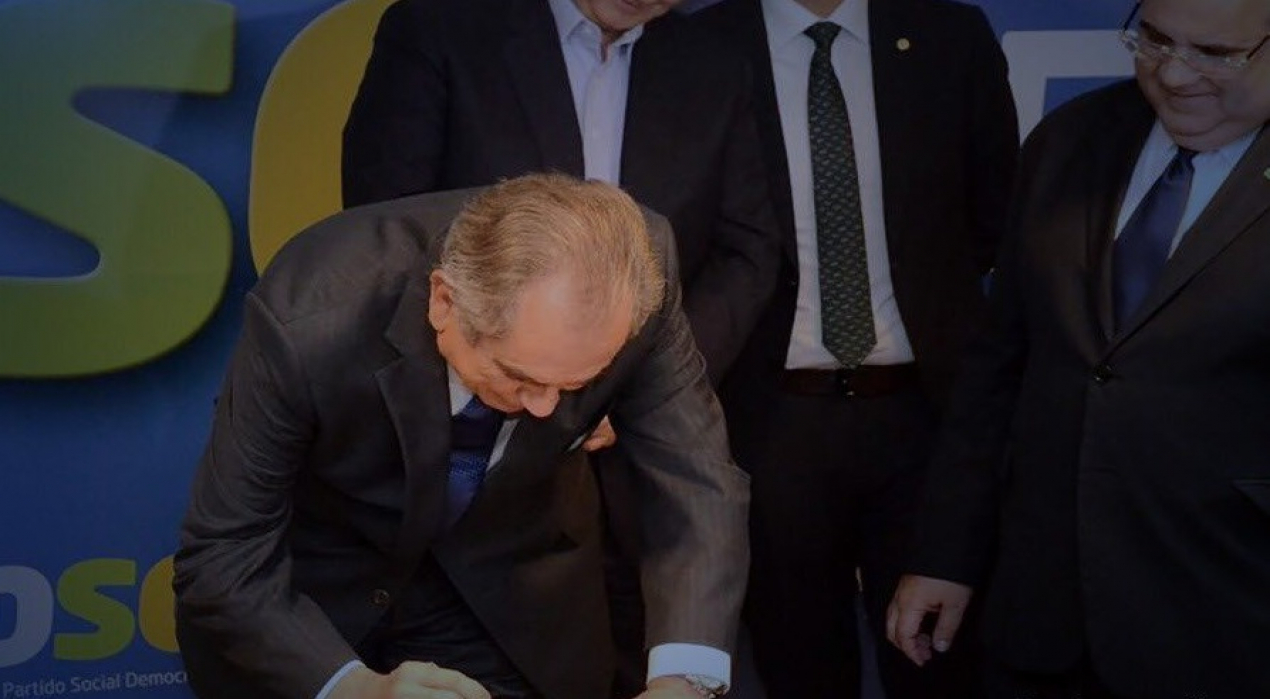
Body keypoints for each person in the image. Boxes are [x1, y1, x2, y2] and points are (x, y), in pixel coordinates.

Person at [173, 174, 750, 699]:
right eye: (521, 378)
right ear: (444, 301)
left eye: (578, 384)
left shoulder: (637, 274)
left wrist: (684, 682)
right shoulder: (312, 315)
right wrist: (356, 689)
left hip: (505, 591)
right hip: (314, 602)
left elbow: (696, 482)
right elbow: (224, 552)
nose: (547, 408)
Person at [887, 0, 1270, 696]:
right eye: (1154, 39)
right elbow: (1000, 363)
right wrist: (947, 553)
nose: (1173, 75)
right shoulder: (1073, 137)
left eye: (1215, 54)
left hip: (1230, 612)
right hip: (1041, 611)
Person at [694, 0, 1018, 696]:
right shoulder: (700, 44)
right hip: (767, 420)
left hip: (924, 415)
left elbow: (994, 216)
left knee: (938, 660)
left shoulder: (948, 33)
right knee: (797, 662)